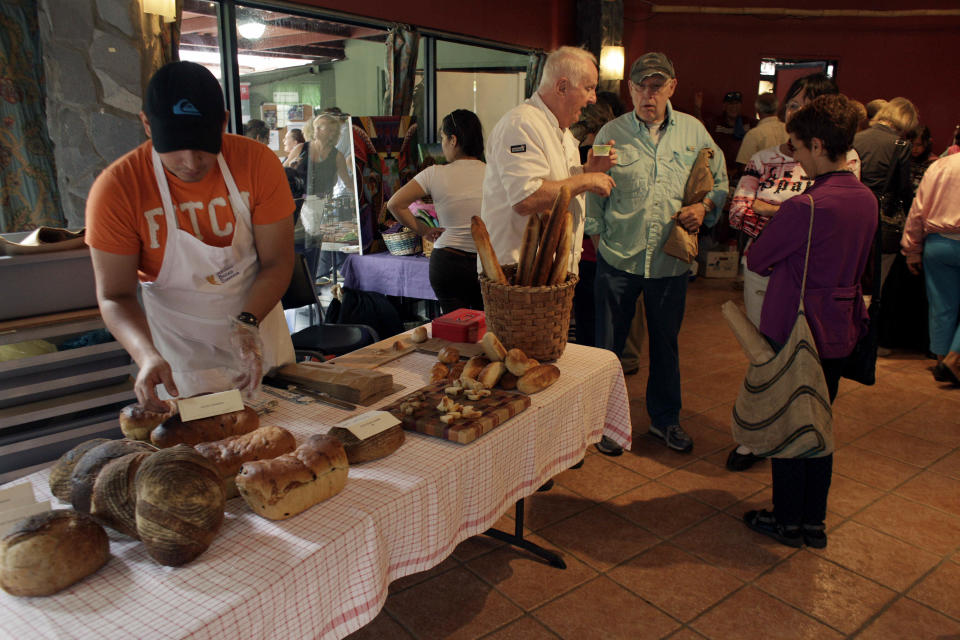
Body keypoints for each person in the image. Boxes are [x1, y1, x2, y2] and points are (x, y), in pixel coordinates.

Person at [85, 61, 296, 411]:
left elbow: (278, 262)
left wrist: (246, 325)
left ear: (224, 122)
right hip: (179, 354)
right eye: (175, 145)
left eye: (202, 145)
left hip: (259, 336)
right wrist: (145, 354)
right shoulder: (118, 189)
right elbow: (115, 295)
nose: (191, 161)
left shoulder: (257, 163)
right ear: (147, 125)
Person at [743, 94, 877, 548]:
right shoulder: (865, 198)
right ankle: (812, 522)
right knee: (820, 424)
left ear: (818, 145)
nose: (794, 158)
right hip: (841, 327)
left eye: (797, 148)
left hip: (795, 328)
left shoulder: (806, 206)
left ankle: (786, 518)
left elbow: (759, 259)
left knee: (788, 423)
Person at [586, 52, 728, 455]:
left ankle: (665, 420)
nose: (649, 94)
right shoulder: (609, 133)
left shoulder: (695, 132)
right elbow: (591, 195)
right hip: (618, 259)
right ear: (629, 89)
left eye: (657, 86)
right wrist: (599, 243)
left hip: (669, 261)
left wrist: (705, 208)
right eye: (641, 86)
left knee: (666, 344)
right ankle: (605, 425)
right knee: (608, 350)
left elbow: (720, 182)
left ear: (672, 87)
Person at [726, 72, 860, 471]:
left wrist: (773, 212)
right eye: (793, 102)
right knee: (763, 353)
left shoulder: (844, 158)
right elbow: (738, 211)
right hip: (764, 270)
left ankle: (798, 432)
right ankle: (758, 436)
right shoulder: (764, 158)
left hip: (813, 277)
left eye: (805, 105)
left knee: (807, 357)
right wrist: (792, 219)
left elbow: (833, 216)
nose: (794, 111)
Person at [481, 46, 616, 278]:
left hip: (550, 275)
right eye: (589, 88)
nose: (593, 99)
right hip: (517, 276)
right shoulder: (521, 124)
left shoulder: (564, 133)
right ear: (562, 87)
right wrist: (587, 180)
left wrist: (587, 171)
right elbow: (526, 198)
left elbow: (557, 184)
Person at [386, 109, 486, 313]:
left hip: (447, 262)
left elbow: (394, 204)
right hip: (485, 262)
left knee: (453, 329)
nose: (442, 144)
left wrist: (424, 230)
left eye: (442, 138)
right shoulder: (494, 172)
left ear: (453, 140)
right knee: (487, 328)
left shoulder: (434, 173)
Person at [901, 152, 960, 386]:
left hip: (937, 244)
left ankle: (942, 361)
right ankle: (953, 361)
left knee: (941, 305)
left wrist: (912, 249)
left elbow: (918, 209)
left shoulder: (940, 166)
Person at [854, 96, 918, 289]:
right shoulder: (900, 145)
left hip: (853, 213)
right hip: (881, 220)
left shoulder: (856, 138)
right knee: (876, 280)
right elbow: (903, 188)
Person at [300, 113, 353, 284]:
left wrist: (361, 199)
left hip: (325, 204)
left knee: (320, 248)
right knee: (307, 247)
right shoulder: (302, 149)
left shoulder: (336, 156)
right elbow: (283, 172)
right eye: (316, 126)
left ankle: (316, 280)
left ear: (332, 132)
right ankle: (307, 280)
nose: (317, 130)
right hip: (302, 205)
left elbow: (347, 181)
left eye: (321, 127)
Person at [735, 93, 786, 167]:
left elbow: (744, 165)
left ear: (757, 110)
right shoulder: (789, 130)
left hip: (761, 177)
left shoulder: (754, 134)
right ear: (777, 108)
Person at [910, 125, 938, 195]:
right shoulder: (906, 158)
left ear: (927, 143)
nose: (914, 149)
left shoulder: (933, 162)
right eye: (912, 145)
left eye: (918, 145)